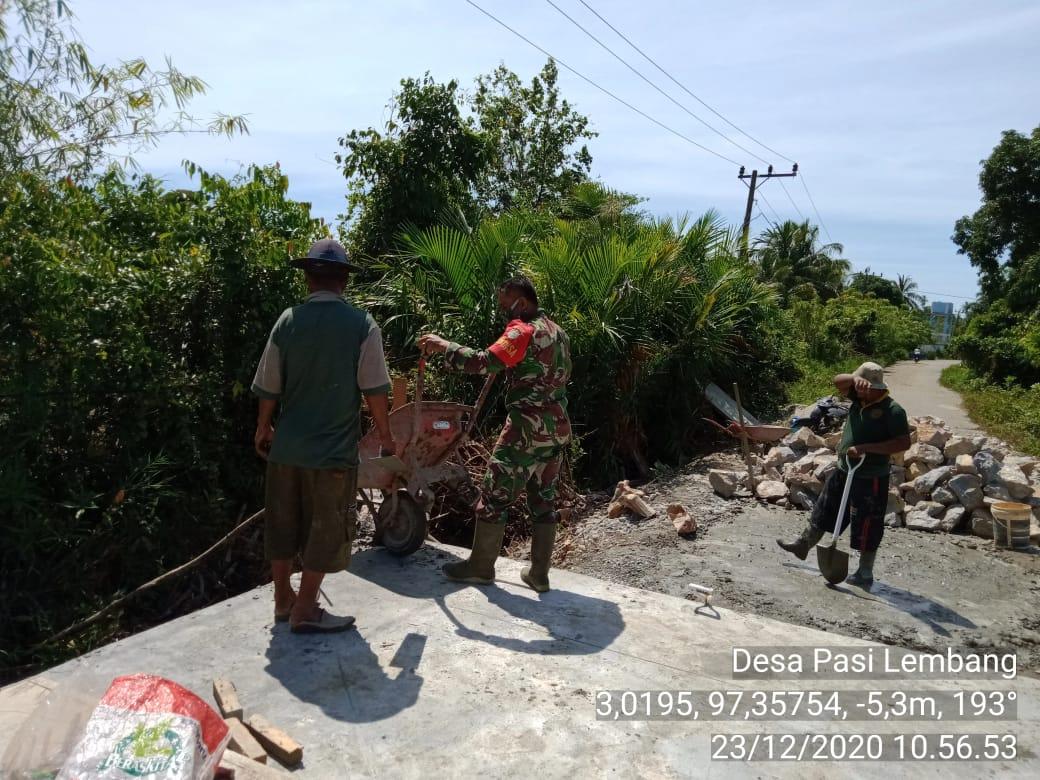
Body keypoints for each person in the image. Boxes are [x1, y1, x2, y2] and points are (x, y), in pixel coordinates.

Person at [252, 238, 398, 633]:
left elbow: (269, 384)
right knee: (326, 527)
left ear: (307, 279)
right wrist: (386, 436)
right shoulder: (362, 326)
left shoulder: (287, 321)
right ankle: (305, 609)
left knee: (282, 524)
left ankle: (284, 600)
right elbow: (374, 391)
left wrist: (264, 427)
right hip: (331, 455)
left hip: (286, 450)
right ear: (343, 282)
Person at [417, 277, 571, 593]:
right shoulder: (559, 332)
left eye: (506, 305)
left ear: (523, 302)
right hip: (556, 429)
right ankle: (539, 575)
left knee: (492, 497)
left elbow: (483, 362)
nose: (504, 312)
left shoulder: (522, 330)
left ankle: (481, 567)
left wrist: (443, 346)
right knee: (543, 500)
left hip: (526, 430)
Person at [776, 361, 911, 590]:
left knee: (868, 522)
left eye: (859, 386)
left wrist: (866, 448)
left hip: (871, 476)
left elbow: (903, 443)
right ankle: (803, 545)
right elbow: (838, 381)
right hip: (844, 467)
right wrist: (853, 378)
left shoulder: (893, 410)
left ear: (874, 386)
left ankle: (865, 571)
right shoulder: (859, 398)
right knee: (825, 508)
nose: (854, 390)